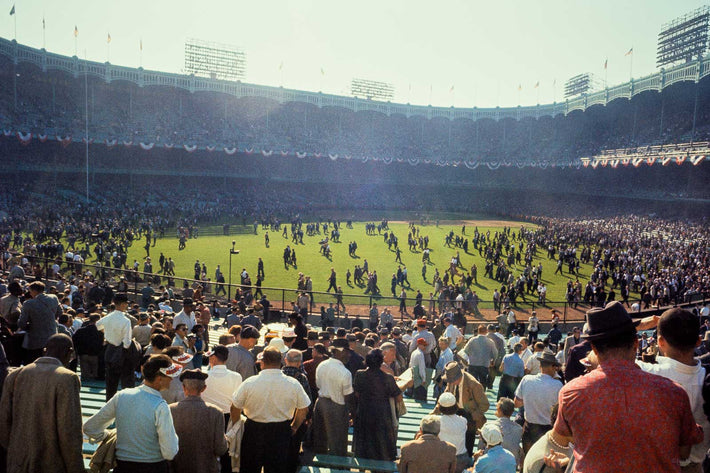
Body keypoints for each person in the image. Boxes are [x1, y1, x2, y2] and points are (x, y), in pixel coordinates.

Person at [550, 301, 703, 473]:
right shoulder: (673, 392)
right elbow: (684, 453)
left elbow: (560, 440)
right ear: (636, 344)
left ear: (593, 348)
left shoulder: (571, 392)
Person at [636, 308, 710, 473]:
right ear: (699, 341)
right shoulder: (707, 378)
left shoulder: (645, 372)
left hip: (653, 465)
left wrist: (637, 326)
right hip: (694, 467)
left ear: (660, 342)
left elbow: (601, 356)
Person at [0, 334, 84, 473]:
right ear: (69, 352)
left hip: (18, 459)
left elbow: (4, 420)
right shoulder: (67, 378)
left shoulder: (15, 375)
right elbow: (69, 429)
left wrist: (13, 448)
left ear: (45, 350)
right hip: (51, 462)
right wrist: (76, 467)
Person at [84, 354, 181, 473]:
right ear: (159, 379)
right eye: (169, 376)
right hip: (153, 467)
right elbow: (170, 452)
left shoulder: (122, 395)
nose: (172, 379)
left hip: (122, 467)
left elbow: (90, 427)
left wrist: (112, 436)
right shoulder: (160, 406)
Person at [231, 346, 310, 473]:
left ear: (262, 363)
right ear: (281, 362)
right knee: (277, 468)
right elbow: (304, 409)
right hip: (281, 431)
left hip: (253, 430)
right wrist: (294, 427)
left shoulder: (249, 382)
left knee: (250, 467)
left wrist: (236, 424)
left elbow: (235, 407)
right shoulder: (293, 384)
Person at [169, 369, 228, 473]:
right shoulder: (216, 412)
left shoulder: (170, 410)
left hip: (177, 468)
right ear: (204, 388)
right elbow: (220, 449)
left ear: (183, 387)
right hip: (207, 468)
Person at [352, 349, 402, 461]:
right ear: (381, 362)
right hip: (382, 415)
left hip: (364, 413)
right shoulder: (388, 378)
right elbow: (398, 397)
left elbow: (356, 393)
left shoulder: (360, 374)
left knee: (364, 445)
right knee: (381, 447)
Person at [202, 345, 242, 473]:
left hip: (207, 416)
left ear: (213, 358)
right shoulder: (236, 377)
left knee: (207, 450)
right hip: (228, 417)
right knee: (226, 451)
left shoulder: (204, 376)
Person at [433, 362, 488, 456]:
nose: (450, 383)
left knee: (468, 442)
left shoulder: (473, 384)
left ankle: (466, 462)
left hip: (470, 414)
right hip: (456, 411)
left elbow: (485, 405)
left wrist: (473, 416)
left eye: (452, 381)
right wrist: (434, 413)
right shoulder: (451, 382)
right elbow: (445, 397)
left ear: (458, 377)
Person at [514, 349, 562, 453]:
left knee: (528, 459)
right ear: (553, 367)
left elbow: (516, 403)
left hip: (529, 428)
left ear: (540, 366)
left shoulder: (526, 380)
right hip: (547, 430)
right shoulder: (558, 385)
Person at [313, 338, 355, 456]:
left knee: (320, 442)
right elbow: (347, 396)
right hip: (337, 407)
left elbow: (318, 386)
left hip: (320, 404)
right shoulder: (345, 372)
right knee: (338, 444)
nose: (349, 355)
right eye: (347, 352)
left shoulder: (322, 365)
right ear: (340, 351)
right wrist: (353, 414)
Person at [97, 292, 136, 401]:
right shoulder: (125, 320)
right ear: (123, 304)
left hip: (110, 350)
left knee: (110, 385)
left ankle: (109, 407)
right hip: (122, 351)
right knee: (126, 384)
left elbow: (98, 325)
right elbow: (127, 342)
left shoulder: (108, 317)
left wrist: (106, 335)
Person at [18, 281, 61, 364]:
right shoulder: (54, 298)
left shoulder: (28, 304)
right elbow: (60, 313)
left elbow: (21, 324)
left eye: (30, 291)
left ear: (34, 291)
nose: (30, 294)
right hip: (52, 336)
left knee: (34, 364)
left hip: (35, 340)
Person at [436, 392, 471, 473]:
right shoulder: (463, 421)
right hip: (461, 459)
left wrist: (435, 411)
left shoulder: (437, 421)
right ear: (455, 406)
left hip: (444, 459)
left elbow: (426, 423)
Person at [72, 313, 104, 381]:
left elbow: (74, 341)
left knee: (85, 376)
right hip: (95, 355)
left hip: (83, 355)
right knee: (95, 376)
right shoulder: (101, 332)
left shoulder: (80, 331)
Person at [492, 398, 523, 467]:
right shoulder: (518, 429)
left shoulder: (490, 427)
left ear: (499, 409)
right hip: (511, 465)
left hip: (493, 465)